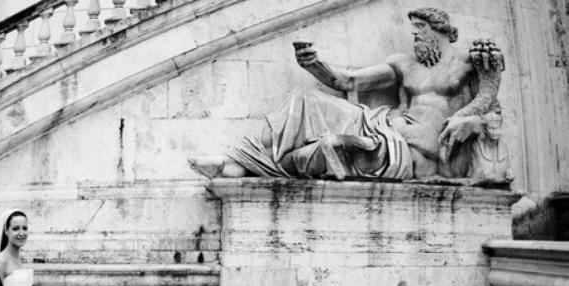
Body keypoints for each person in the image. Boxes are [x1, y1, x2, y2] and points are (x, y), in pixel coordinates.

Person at [189, 7, 505, 181]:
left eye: (420, 28)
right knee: (305, 99)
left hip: (414, 150)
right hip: (382, 123)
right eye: (413, 29)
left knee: (333, 148)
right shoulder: (403, 64)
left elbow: (489, 104)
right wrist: (315, 66)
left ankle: (243, 170)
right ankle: (240, 159)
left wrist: (467, 119)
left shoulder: (467, 62)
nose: (414, 35)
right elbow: (349, 81)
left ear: (439, 30)